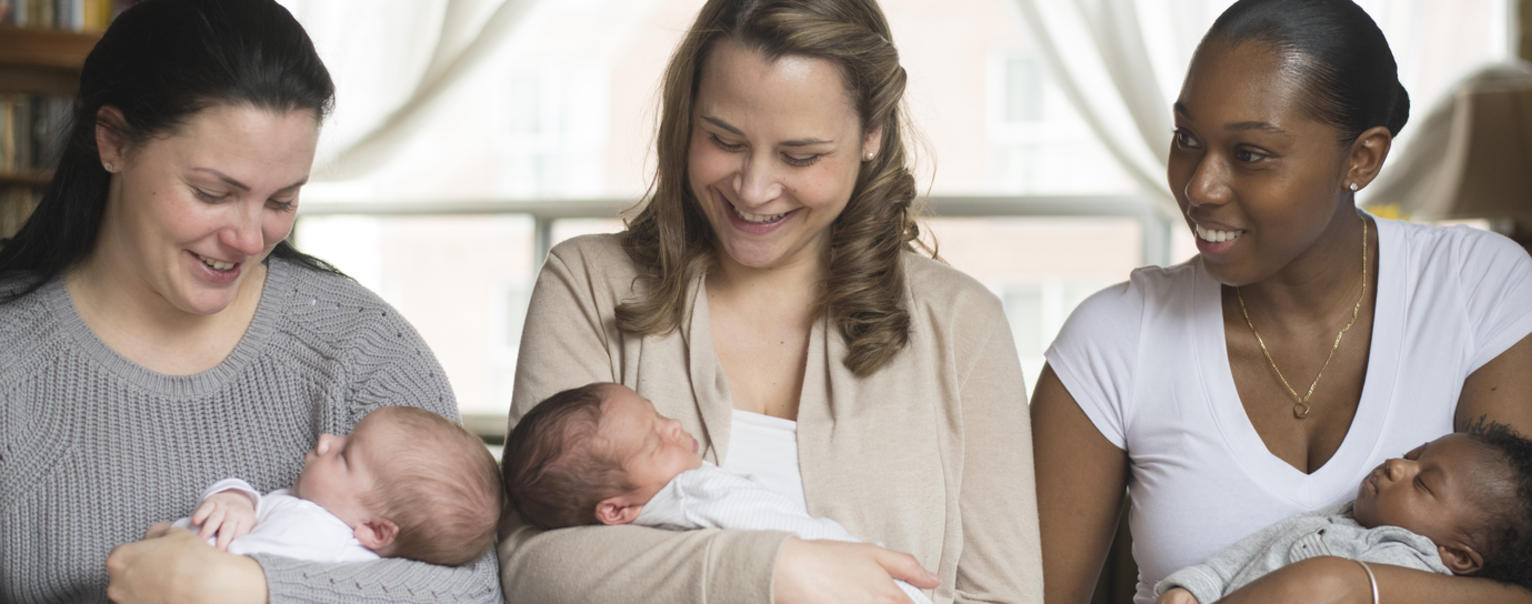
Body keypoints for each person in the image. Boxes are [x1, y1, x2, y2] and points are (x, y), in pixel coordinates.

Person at [1031, 1, 1532, 603]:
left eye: (1249, 153)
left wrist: (1338, 583)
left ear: (1361, 159)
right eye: (1187, 138)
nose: (1198, 187)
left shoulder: (1475, 286)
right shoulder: (1114, 337)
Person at [495, 0, 1042, 602]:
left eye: (800, 156)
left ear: (872, 135)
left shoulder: (962, 325)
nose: (754, 190)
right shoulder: (588, 283)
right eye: (723, 139)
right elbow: (533, 567)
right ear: (686, 120)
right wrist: (776, 571)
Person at [0, 1, 501, 602]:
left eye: (281, 201)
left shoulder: (361, 348)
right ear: (113, 142)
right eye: (212, 193)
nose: (248, 239)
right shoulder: (13, 359)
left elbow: (473, 587)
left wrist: (245, 587)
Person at [502, 383, 934, 604]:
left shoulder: (658, 510)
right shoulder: (691, 495)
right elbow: (777, 530)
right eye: (654, 442)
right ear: (615, 510)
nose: (673, 426)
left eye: (657, 414)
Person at [1152, 423, 1532, 604]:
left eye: (1423, 483)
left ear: (1457, 556)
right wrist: (1193, 588)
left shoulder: (1405, 562)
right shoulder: (1337, 520)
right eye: (1413, 456)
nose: (1397, 466)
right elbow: (1244, 554)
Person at [168, 406, 502, 567]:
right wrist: (238, 497)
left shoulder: (312, 533)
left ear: (374, 529)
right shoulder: (317, 519)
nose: (326, 440)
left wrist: (168, 538)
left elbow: (218, 574)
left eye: (344, 454)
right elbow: (262, 509)